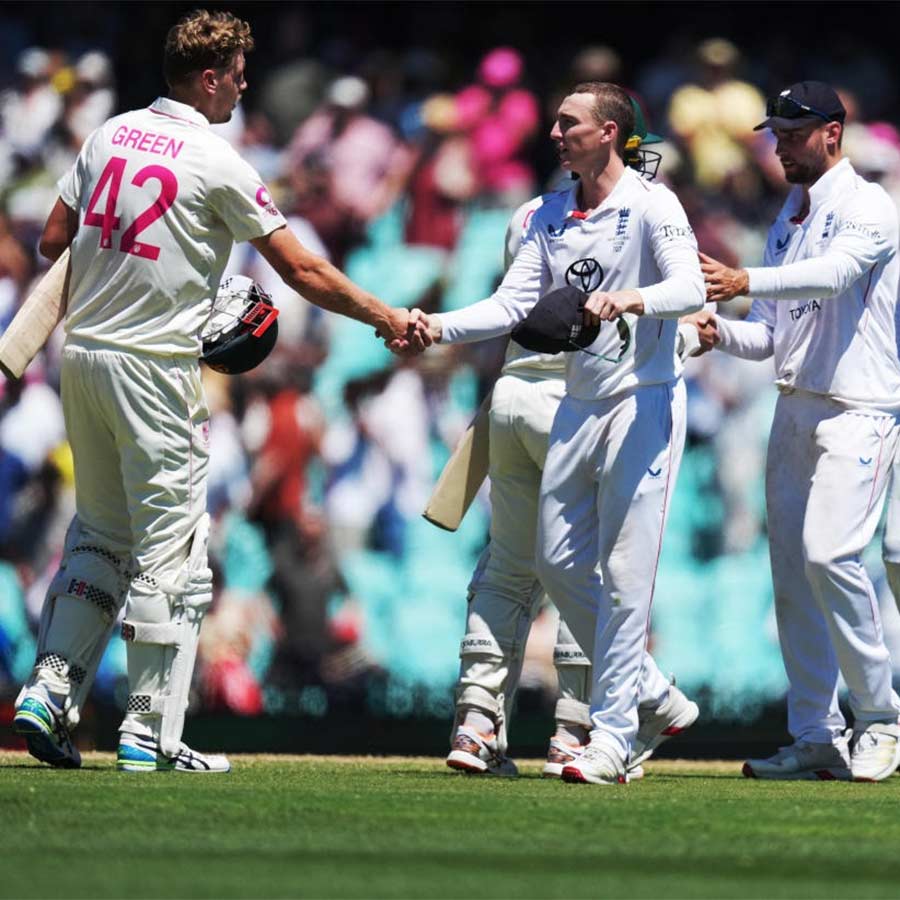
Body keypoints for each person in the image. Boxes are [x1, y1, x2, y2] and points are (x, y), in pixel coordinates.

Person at [12, 9, 423, 773]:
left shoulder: (110, 134)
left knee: (99, 537)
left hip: (83, 361)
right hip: (156, 370)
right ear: (209, 77)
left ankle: (48, 688)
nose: (243, 83)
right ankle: (150, 732)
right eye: (236, 71)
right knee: (177, 549)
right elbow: (301, 271)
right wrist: (384, 315)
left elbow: (50, 241)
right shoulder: (219, 158)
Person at [395, 81, 705, 785]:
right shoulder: (551, 212)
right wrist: (435, 327)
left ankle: (612, 736)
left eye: (570, 123)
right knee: (562, 566)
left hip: (641, 401)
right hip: (576, 407)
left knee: (623, 579)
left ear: (609, 133)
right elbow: (513, 304)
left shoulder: (653, 204)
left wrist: (630, 299)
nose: (556, 131)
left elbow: (691, 288)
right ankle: (654, 695)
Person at [685, 81, 900, 781]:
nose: (779, 145)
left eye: (793, 133)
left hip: (860, 408)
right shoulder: (789, 214)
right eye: (776, 133)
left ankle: (879, 719)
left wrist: (745, 276)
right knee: (791, 580)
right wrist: (719, 333)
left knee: (830, 556)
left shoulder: (869, 207)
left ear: (833, 134)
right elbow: (773, 338)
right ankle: (815, 735)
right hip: (794, 407)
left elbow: (835, 278)